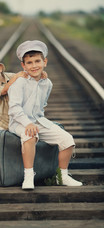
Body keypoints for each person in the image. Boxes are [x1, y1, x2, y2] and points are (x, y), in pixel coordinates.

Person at [8, 40, 83, 189]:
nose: (34, 66)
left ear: (45, 62)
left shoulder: (47, 83)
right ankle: (29, 176)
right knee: (30, 135)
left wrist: (39, 122)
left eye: (37, 61)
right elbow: (14, 108)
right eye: (29, 63)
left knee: (67, 139)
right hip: (19, 122)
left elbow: (42, 106)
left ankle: (62, 176)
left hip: (38, 121)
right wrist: (27, 124)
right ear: (23, 66)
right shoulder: (20, 82)